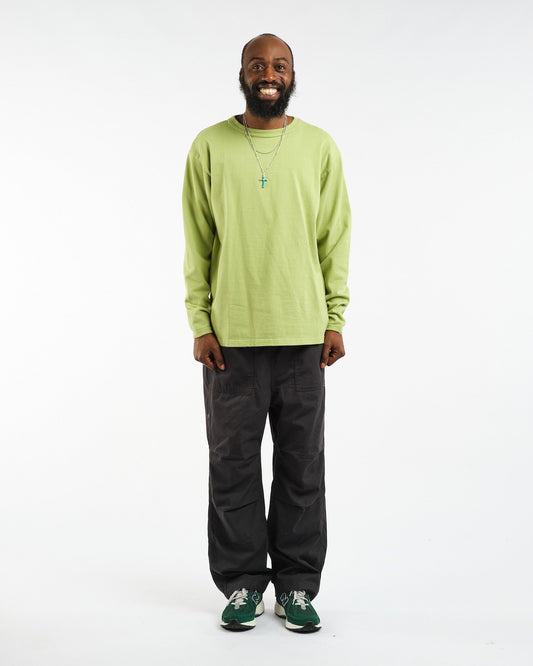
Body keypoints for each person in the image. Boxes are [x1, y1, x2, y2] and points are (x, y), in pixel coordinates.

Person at [182, 33, 351, 633]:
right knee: (232, 465)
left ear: (293, 74)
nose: (269, 74)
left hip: (303, 335)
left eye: (280, 65)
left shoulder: (319, 147)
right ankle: (243, 584)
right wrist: (200, 322)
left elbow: (334, 238)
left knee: (303, 465)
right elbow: (197, 241)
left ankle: (298, 584)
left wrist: (334, 317)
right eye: (258, 65)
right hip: (230, 340)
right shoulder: (209, 146)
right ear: (242, 74)